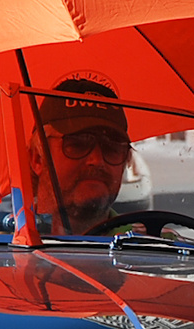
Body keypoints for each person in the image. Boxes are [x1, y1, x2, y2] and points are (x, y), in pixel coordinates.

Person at [27, 78, 133, 235]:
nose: (97, 160)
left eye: (112, 148)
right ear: (37, 158)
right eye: (77, 145)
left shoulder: (157, 248)